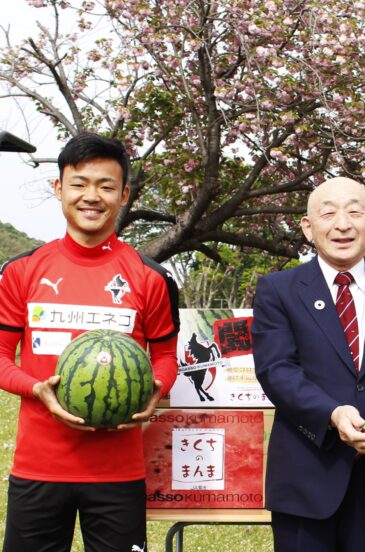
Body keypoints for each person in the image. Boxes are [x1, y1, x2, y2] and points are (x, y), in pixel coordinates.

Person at [0, 132, 180, 552]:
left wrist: (156, 389)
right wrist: (35, 388)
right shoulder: (21, 272)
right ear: (59, 188)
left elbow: (167, 355)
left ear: (124, 195)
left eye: (106, 186)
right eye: (79, 183)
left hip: (118, 473)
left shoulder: (150, 276)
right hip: (38, 468)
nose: (91, 196)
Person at [251, 177, 365, 552]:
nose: (342, 224)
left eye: (354, 211)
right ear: (308, 227)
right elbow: (276, 370)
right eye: (328, 213)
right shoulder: (278, 290)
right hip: (307, 477)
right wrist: (332, 413)